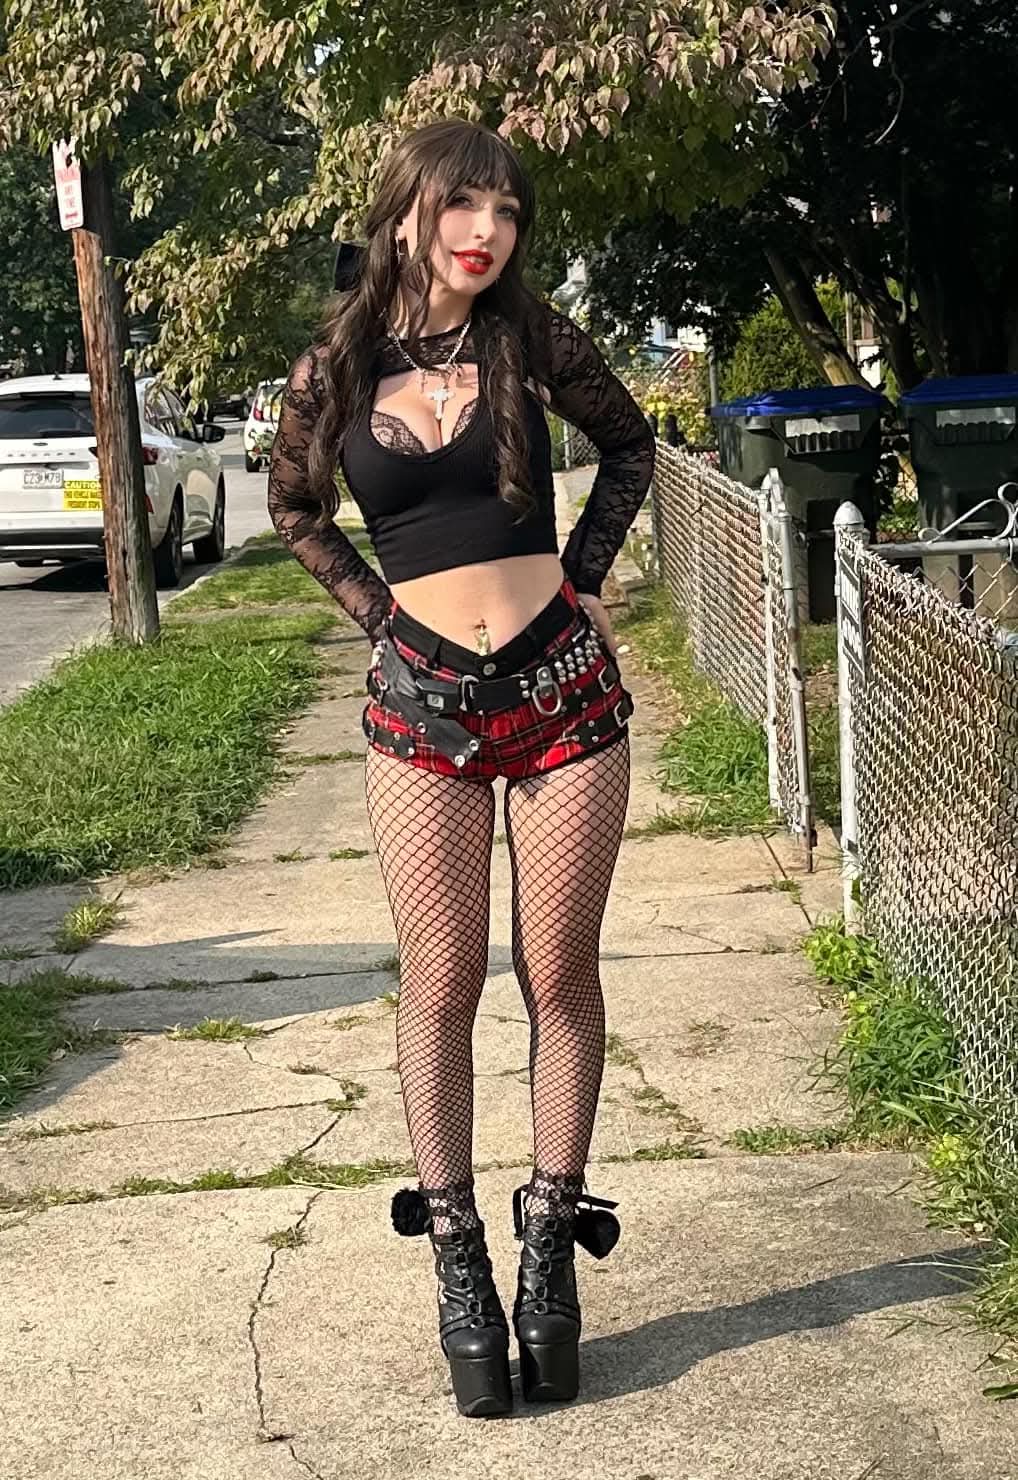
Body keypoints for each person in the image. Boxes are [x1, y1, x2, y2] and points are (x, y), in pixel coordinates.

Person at [267, 118, 655, 1418]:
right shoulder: (336, 363)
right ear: (407, 215)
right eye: (461, 206)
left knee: (560, 973)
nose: (486, 232)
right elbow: (293, 506)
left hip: (562, 694)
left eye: (506, 211)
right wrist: (381, 619)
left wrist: (583, 577)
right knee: (438, 982)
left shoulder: (530, 337)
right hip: (420, 710)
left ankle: (550, 1251)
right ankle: (459, 1265)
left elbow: (632, 443)